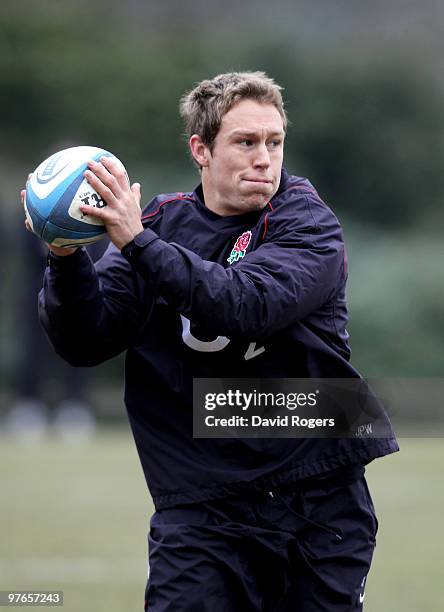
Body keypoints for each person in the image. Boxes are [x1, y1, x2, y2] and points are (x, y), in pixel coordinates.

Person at [25, 72, 398, 611]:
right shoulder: (157, 224)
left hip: (317, 489)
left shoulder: (306, 219)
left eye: (274, 142)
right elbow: (85, 341)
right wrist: (64, 258)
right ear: (200, 149)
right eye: (246, 142)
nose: (264, 158)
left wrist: (139, 244)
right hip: (200, 499)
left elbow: (248, 306)